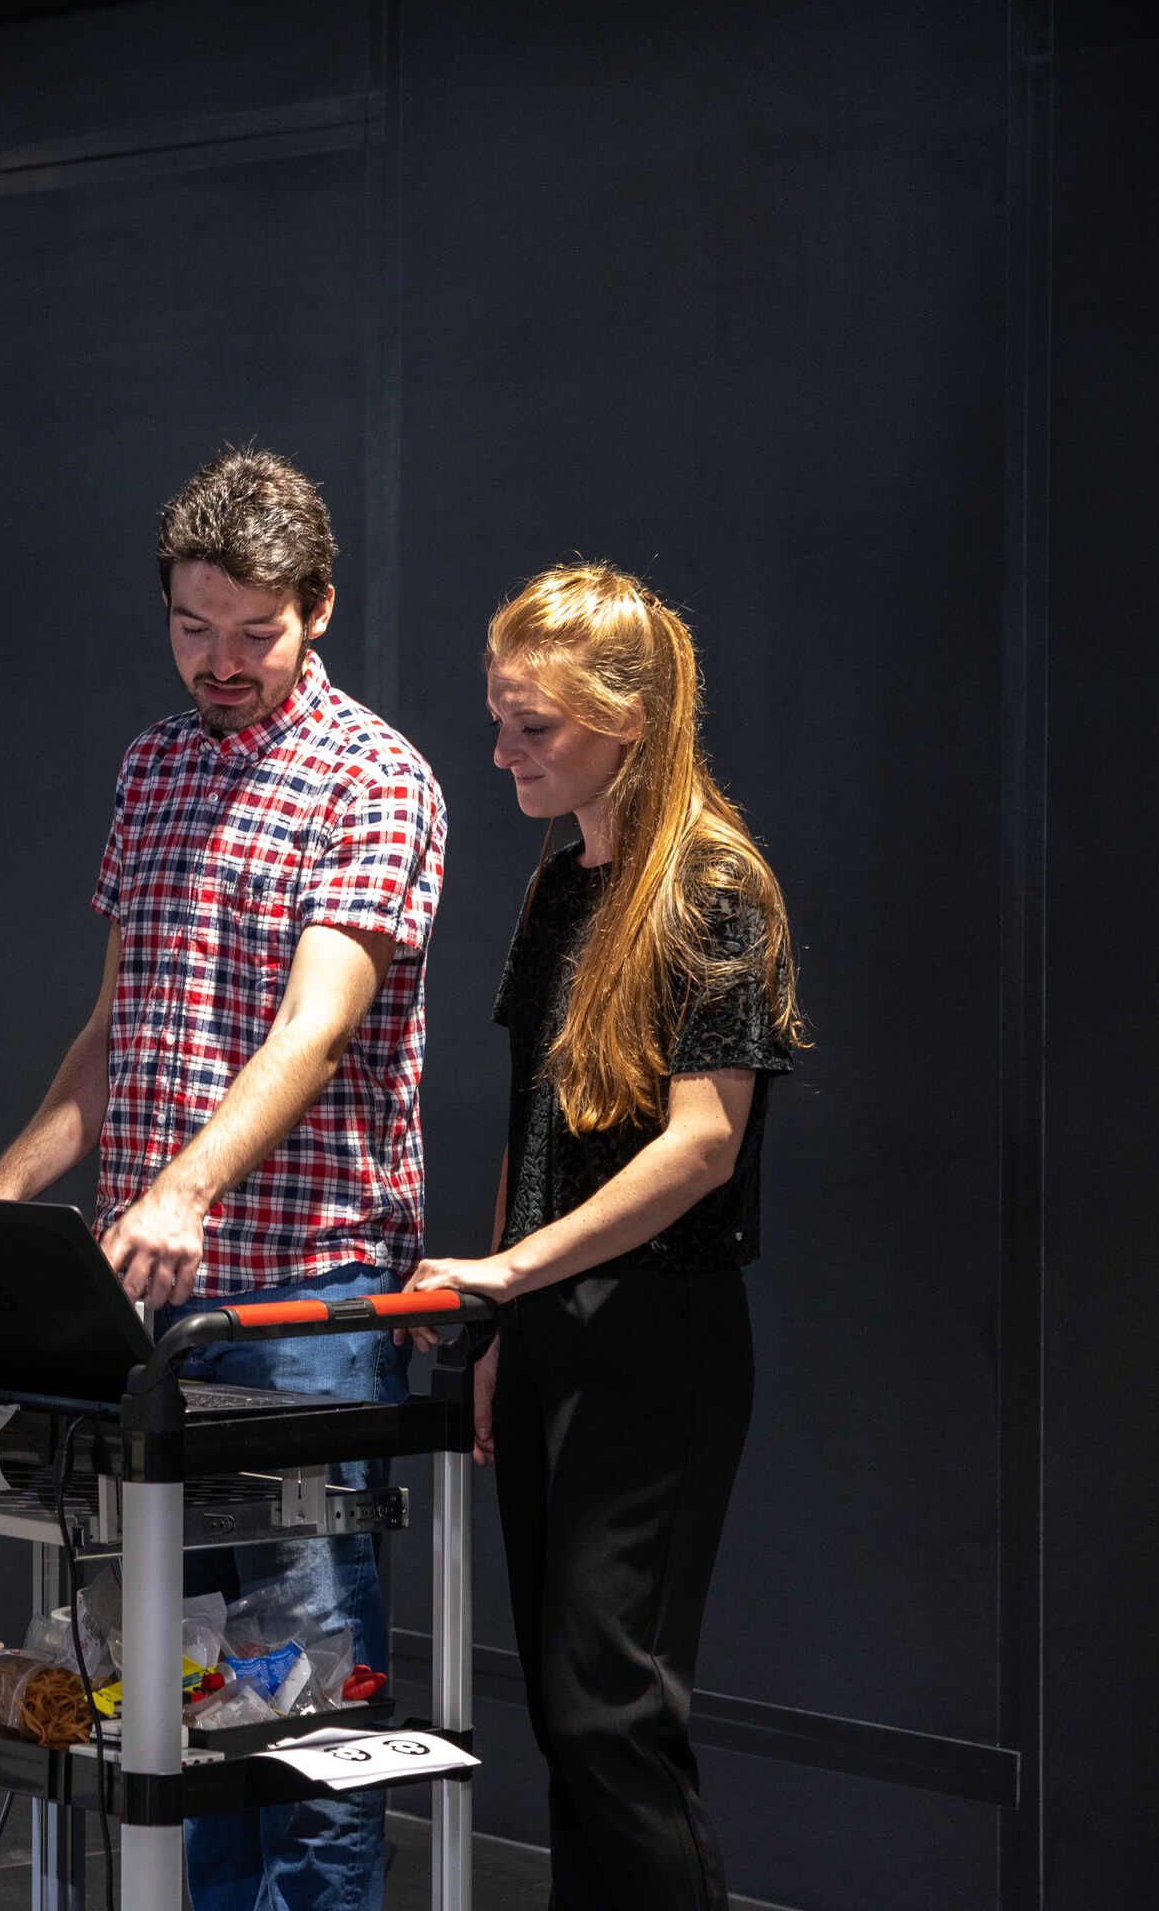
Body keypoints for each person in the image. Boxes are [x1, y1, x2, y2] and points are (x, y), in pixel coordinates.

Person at [0, 446, 445, 1911]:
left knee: (304, 1706)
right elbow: (117, 1034)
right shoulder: (155, 765)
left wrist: (180, 1192)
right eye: (193, 628)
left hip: (304, 1301)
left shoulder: (374, 778)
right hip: (154, 1317)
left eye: (253, 632)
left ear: (317, 609)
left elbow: (314, 1030)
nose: (219, 663)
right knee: (182, 1694)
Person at [405, 564, 803, 1910]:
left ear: (627, 720)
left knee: (609, 1722)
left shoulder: (712, 886)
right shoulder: (562, 883)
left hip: (660, 1343)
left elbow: (703, 1144)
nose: (504, 750)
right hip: (555, 1333)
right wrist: (508, 1317)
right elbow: (537, 1118)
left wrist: (514, 1271)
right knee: (570, 1731)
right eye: (500, 718)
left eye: (537, 727)